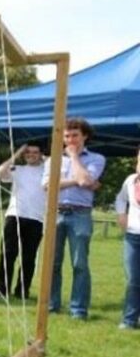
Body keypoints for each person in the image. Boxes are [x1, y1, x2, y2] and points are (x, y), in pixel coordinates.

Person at [43, 117, 106, 319]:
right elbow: (47, 186)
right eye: (67, 136)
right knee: (52, 263)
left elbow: (86, 180)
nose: (70, 140)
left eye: (75, 135)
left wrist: (74, 158)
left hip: (80, 214)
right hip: (55, 212)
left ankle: (78, 309)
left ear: (84, 136)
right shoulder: (53, 160)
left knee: (80, 264)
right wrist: (79, 180)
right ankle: (51, 305)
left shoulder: (97, 158)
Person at [0, 143, 47, 299]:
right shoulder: (18, 170)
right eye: (28, 152)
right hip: (15, 215)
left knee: (29, 257)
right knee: (7, 254)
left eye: (35, 152)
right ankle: (1, 289)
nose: (31, 155)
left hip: (36, 218)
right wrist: (16, 154)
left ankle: (22, 291)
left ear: (41, 154)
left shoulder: (46, 171)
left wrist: (46, 159)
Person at [115, 146, 140, 330]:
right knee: (133, 278)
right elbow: (120, 198)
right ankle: (129, 320)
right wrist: (121, 214)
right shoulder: (130, 181)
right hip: (133, 236)